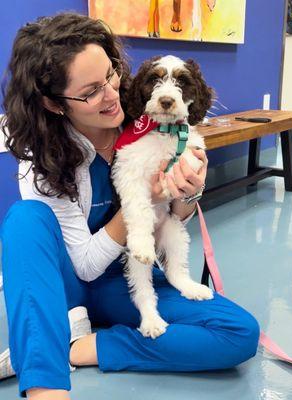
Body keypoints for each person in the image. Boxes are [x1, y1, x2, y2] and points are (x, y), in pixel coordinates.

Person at [0, 12, 260, 400]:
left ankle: (79, 346)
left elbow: (171, 221)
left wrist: (187, 193)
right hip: (71, 280)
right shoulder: (41, 158)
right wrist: (142, 203)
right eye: (90, 91)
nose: (110, 94)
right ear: (54, 104)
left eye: (111, 74)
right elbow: (85, 265)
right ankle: (46, 385)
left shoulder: (145, 114)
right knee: (24, 219)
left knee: (239, 333)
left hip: (127, 279)